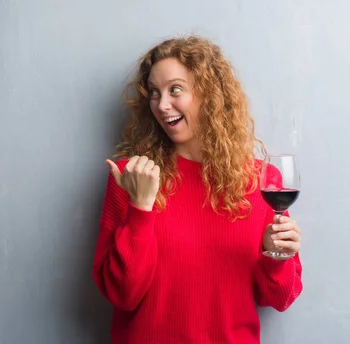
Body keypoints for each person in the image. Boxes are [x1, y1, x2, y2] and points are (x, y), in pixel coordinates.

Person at [91, 35, 303, 344]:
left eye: (175, 89)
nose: (162, 105)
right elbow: (122, 295)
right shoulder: (132, 177)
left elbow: (279, 299)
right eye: (154, 93)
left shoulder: (262, 180)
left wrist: (277, 255)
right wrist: (140, 210)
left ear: (209, 94)